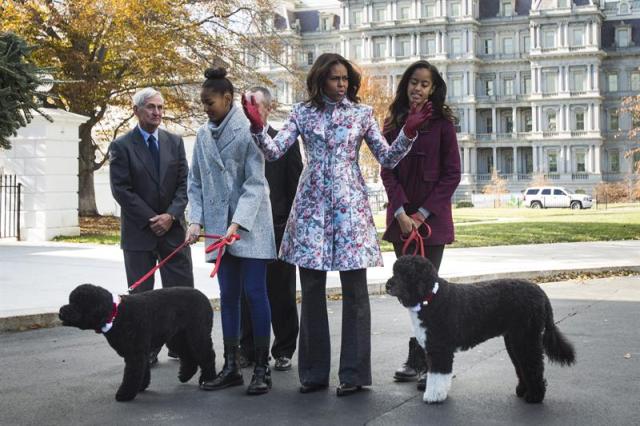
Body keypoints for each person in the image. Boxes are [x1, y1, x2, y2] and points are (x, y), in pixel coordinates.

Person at [242, 53, 432, 396]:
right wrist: (258, 128)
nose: (342, 84)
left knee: (356, 294)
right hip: (311, 210)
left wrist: (408, 133)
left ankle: (355, 374)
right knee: (312, 292)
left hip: (350, 212)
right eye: (335, 78)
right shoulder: (302, 113)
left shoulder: (361, 114)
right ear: (320, 81)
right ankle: (313, 374)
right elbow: (274, 151)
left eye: (345, 78)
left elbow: (387, 157)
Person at [186, 68, 277, 395]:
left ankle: (262, 368)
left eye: (209, 102)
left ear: (227, 99)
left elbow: (256, 184)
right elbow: (194, 181)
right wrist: (195, 220)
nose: (205, 108)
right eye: (203, 103)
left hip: (250, 227)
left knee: (254, 292)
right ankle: (231, 365)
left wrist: (236, 225)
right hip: (218, 229)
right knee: (228, 297)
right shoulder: (200, 135)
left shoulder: (250, 131)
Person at [381, 60, 461, 390]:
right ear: (406, 85)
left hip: (431, 221)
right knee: (410, 296)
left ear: (434, 89)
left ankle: (429, 362)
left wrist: (422, 214)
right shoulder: (392, 124)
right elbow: (388, 170)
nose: (418, 88)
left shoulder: (443, 125)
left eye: (425, 84)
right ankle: (418, 360)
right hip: (402, 222)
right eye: (414, 82)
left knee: (428, 296)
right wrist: (401, 213)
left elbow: (452, 174)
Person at [109, 87, 194, 367]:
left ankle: (180, 345)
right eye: (151, 108)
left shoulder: (174, 141)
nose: (157, 112)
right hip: (139, 234)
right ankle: (145, 349)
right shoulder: (121, 146)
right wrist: (152, 219)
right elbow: (121, 190)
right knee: (142, 298)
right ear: (136, 110)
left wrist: (170, 215)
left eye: (160, 107)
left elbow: (184, 184)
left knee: (180, 292)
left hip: (173, 231)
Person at [239, 87, 303, 372]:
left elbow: (296, 187)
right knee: (247, 292)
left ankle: (284, 349)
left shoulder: (284, 142)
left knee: (282, 293)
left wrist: (291, 226)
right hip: (245, 229)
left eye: (256, 106)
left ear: (268, 107)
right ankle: (249, 349)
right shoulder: (239, 141)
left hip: (278, 228)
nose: (250, 111)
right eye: (246, 106)